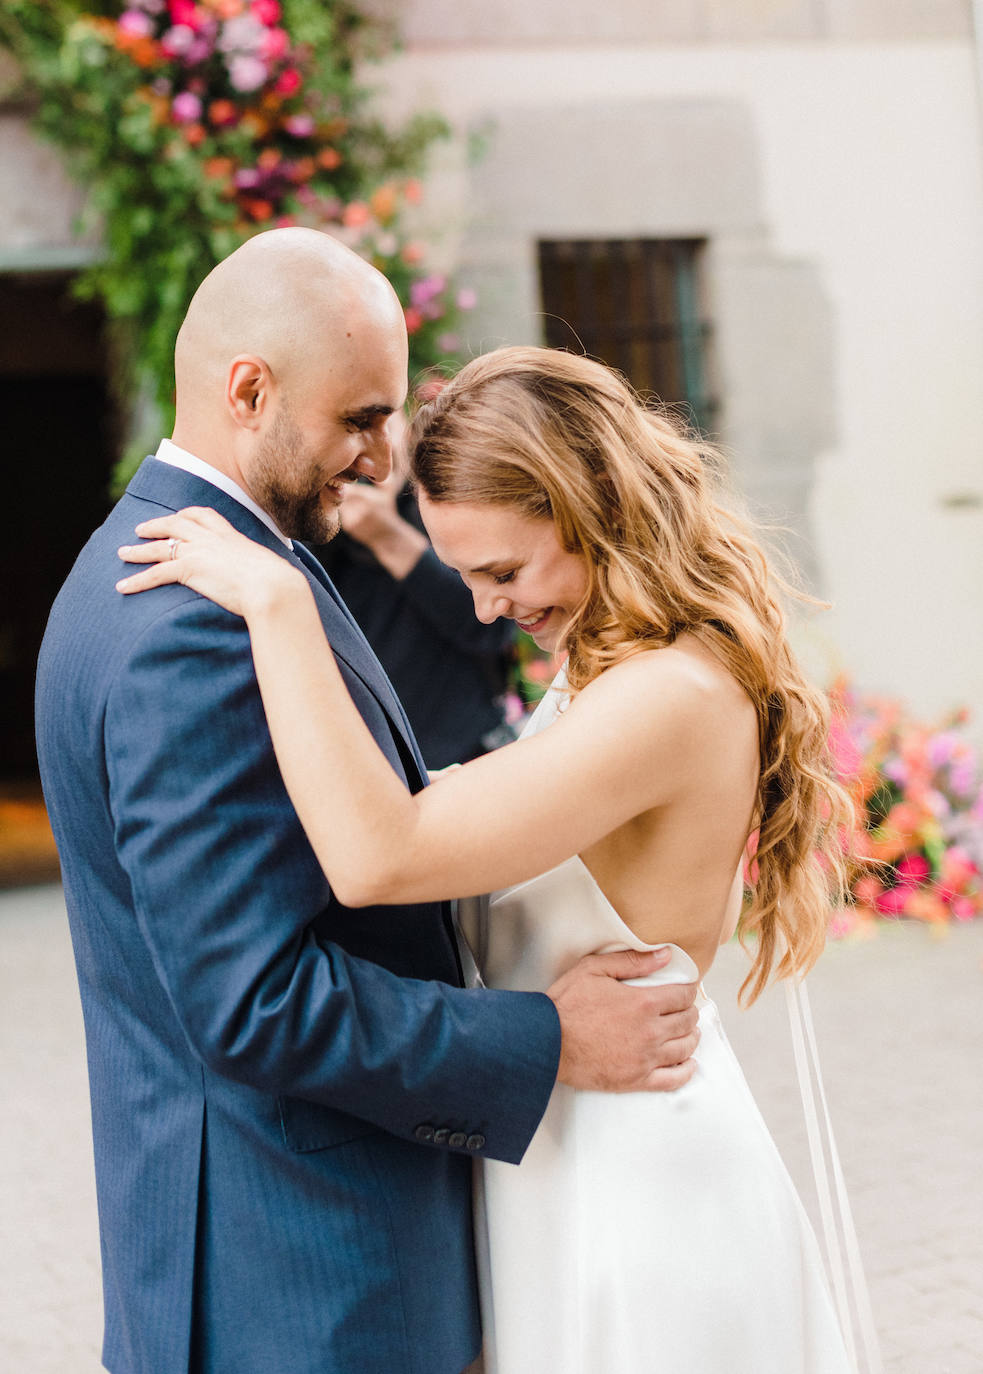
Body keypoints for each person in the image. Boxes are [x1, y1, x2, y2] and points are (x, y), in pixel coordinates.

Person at [117, 343, 871, 1373]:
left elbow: (382, 853)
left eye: (503, 572)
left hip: (638, 1197)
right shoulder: (617, 674)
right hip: (564, 1161)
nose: (482, 609)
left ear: (591, 502)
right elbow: (429, 810)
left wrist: (278, 606)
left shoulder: (667, 698)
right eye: (466, 576)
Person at [35, 234, 702, 1374]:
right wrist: (548, 1040)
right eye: (361, 417)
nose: (386, 455)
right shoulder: (191, 626)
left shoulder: (213, 570)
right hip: (299, 1279)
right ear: (250, 391)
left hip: (283, 1253)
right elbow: (254, 1000)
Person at [319, 415, 518, 768]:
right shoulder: (316, 527)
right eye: (356, 428)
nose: (375, 455)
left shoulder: (439, 505)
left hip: (468, 751)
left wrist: (389, 536)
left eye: (385, 424)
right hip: (376, 760)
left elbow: (494, 624)